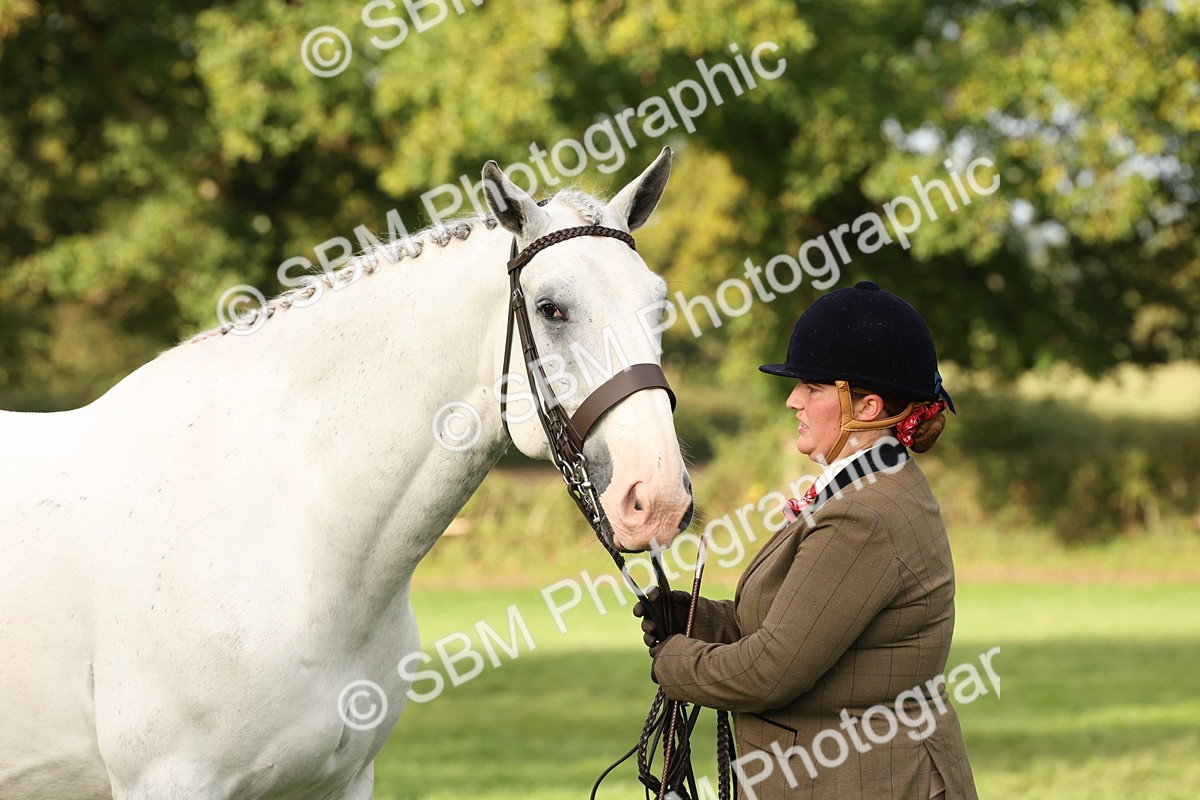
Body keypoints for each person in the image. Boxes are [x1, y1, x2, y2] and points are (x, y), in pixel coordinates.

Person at [635, 281, 978, 800]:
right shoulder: (864, 489)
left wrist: (675, 663)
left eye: (813, 388)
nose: (793, 399)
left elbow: (769, 672)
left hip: (867, 782)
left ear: (867, 408)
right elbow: (799, 625)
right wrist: (697, 620)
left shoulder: (865, 515)